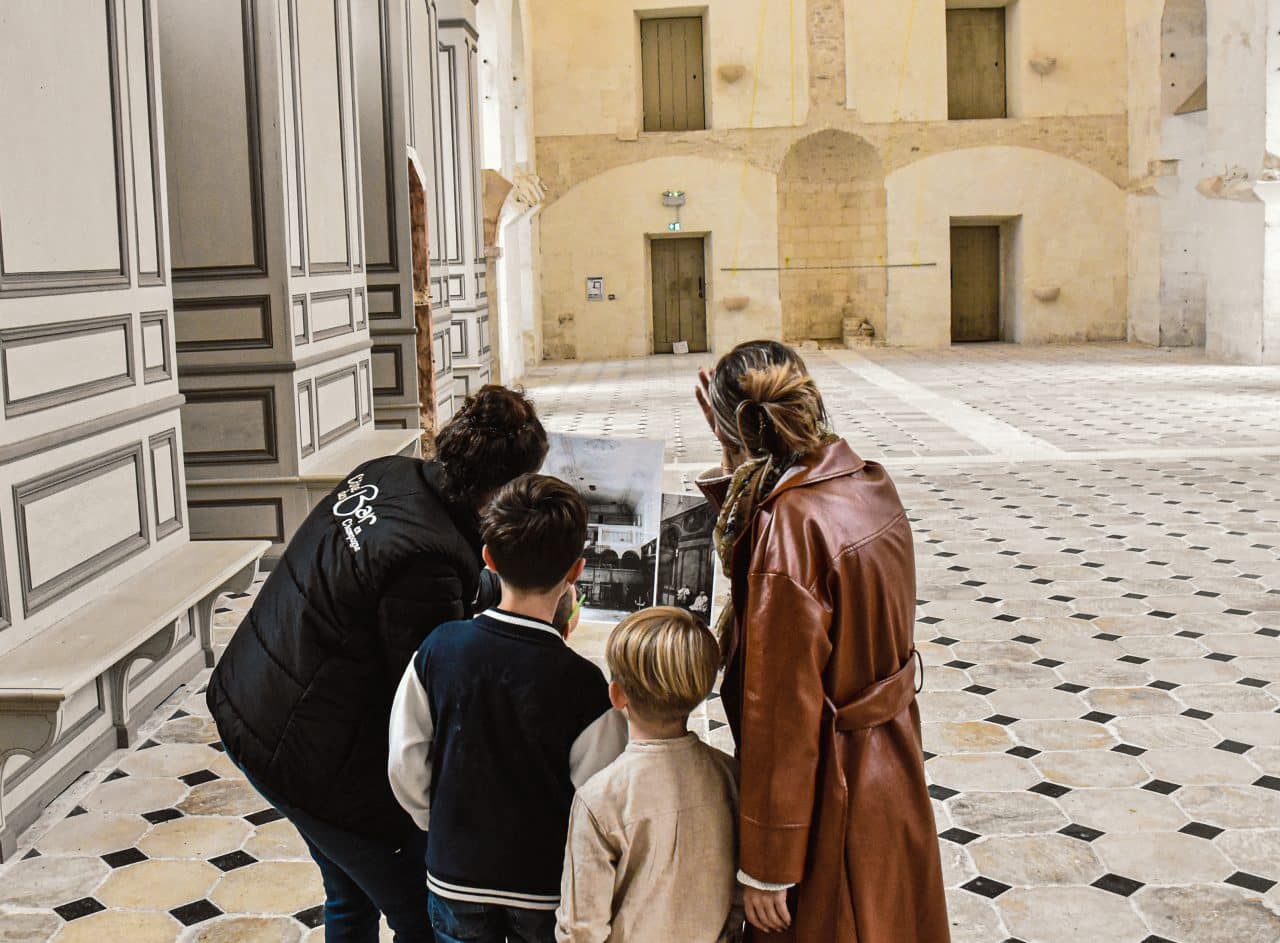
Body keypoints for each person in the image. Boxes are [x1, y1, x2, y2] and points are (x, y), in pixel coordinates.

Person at [207, 386, 549, 943]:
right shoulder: (426, 560)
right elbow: (425, 699)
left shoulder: (389, 473)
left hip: (255, 696)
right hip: (305, 749)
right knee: (421, 913)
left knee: (348, 892)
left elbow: (442, 578)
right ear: (500, 488)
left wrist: (512, 589)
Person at [694, 341, 950, 943]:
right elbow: (764, 507)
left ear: (741, 427)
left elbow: (781, 713)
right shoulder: (865, 482)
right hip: (891, 757)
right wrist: (737, 447)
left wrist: (768, 865)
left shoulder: (791, 533)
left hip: (830, 793)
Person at [388, 474, 628, 943]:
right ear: (576, 571)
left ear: (489, 560)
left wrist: (437, 824)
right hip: (542, 887)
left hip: (454, 874)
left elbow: (405, 761)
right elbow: (601, 797)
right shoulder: (583, 684)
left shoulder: (438, 648)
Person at [556, 607, 743, 943]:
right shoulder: (730, 776)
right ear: (701, 693)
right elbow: (737, 898)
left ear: (616, 694)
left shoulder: (599, 797)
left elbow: (581, 929)